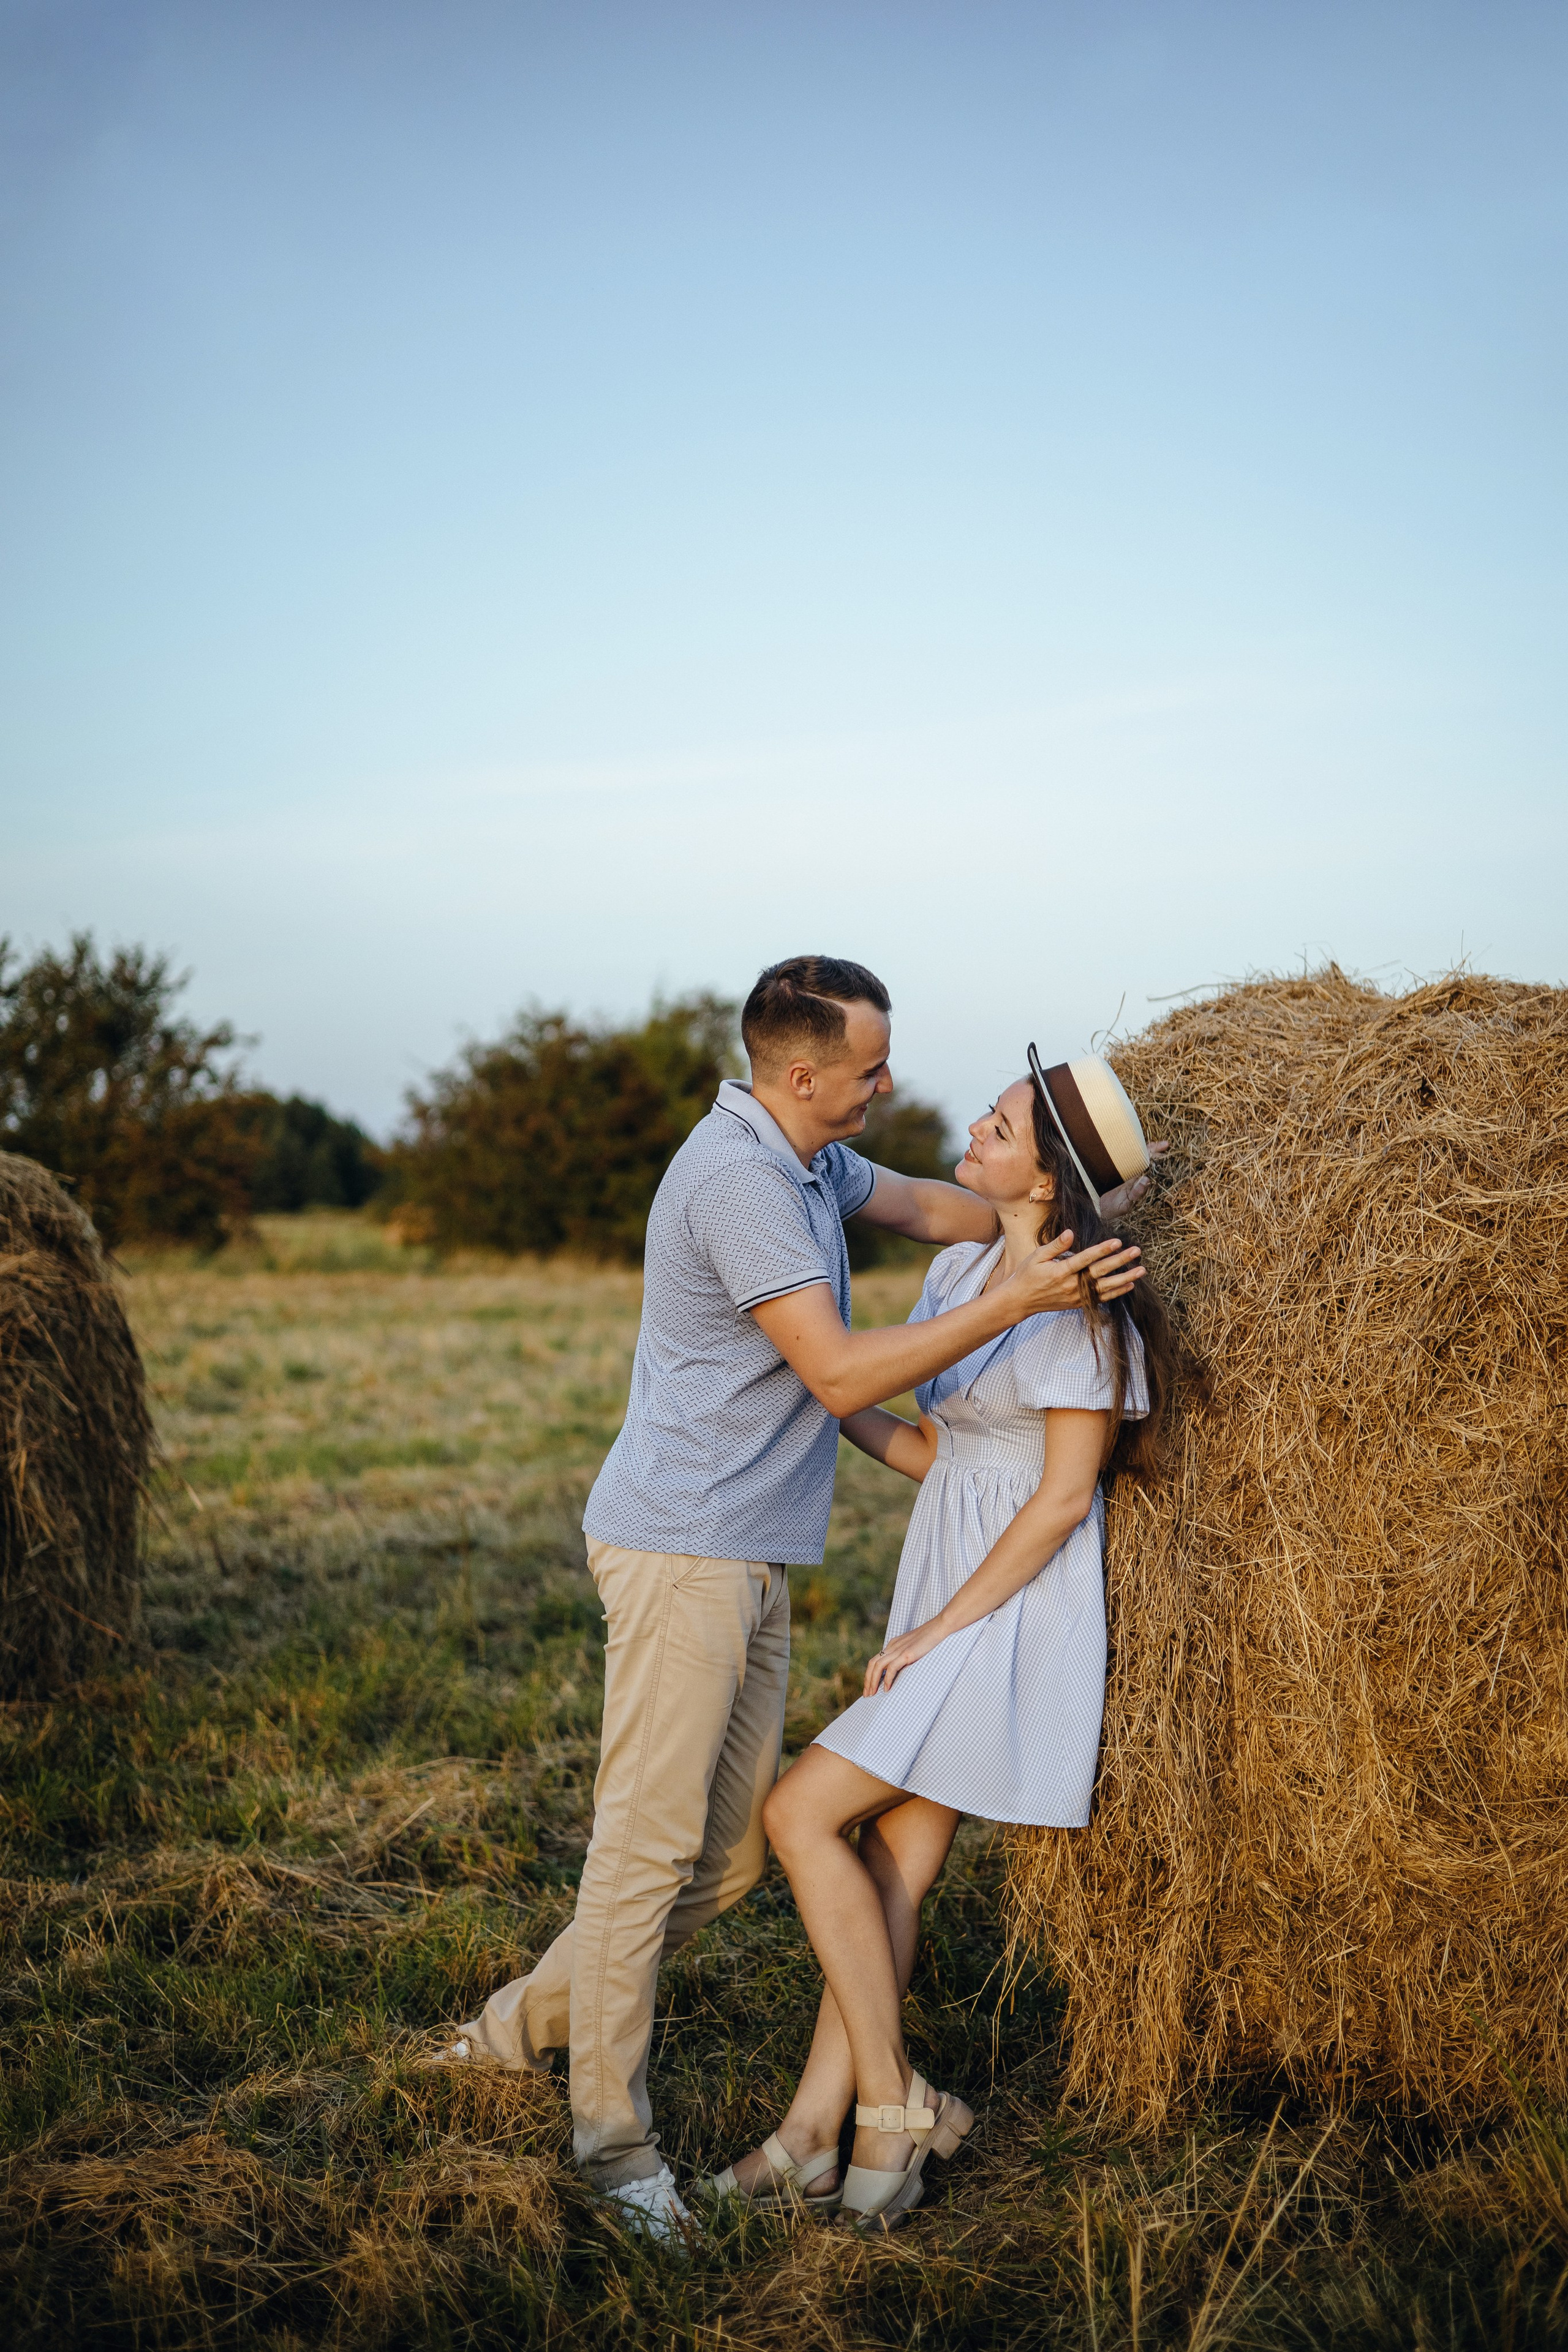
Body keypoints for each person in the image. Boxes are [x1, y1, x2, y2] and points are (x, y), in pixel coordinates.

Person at [433, 958, 1152, 2247]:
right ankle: (614, 2147)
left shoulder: (818, 1160)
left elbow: (943, 1209)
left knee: (725, 1860)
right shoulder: (742, 1183)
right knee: (645, 1851)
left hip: (752, 1551)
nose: (889, 1087)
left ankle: (502, 2034)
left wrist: (1047, 1241)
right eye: (870, 1070)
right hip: (687, 1546)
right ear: (804, 1076)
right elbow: (832, 1373)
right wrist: (1015, 1289)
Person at [705, 1046, 1175, 2233]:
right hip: (945, 1578)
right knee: (892, 1866)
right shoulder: (968, 1268)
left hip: (1012, 1610)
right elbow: (933, 1451)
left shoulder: (1077, 1314)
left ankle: (897, 2098)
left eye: (1003, 1124)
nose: (975, 1124)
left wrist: (929, 1635)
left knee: (800, 1815)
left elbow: (1062, 1501)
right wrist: (826, 1393)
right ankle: (817, 2136)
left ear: (1046, 1179)